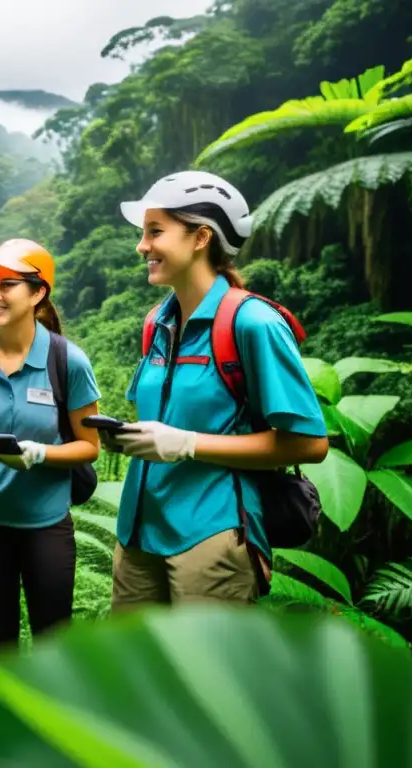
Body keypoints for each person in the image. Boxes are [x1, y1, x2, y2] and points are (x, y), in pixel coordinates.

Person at [106, 170, 329, 611]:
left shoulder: (252, 323)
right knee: (132, 676)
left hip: (211, 533)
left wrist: (187, 444)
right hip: (137, 533)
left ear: (200, 238)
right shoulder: (158, 323)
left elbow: (310, 443)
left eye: (155, 232)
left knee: (205, 676)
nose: (142, 246)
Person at [0, 239, 101, 651]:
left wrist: (40, 453)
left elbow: (89, 446)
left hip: (44, 523)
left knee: (54, 641)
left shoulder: (68, 362)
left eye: (7, 284)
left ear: (38, 293)